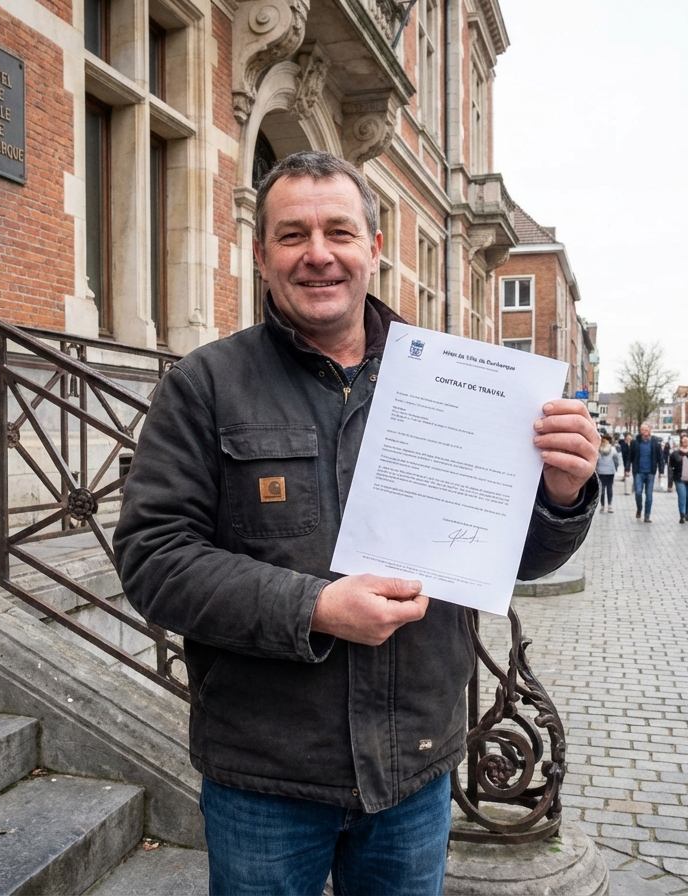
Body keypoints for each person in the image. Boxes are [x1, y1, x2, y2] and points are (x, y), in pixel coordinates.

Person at [112, 150, 601, 896]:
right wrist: (315, 608)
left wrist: (562, 494)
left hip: (413, 767)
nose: (318, 255)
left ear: (374, 249)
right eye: (292, 235)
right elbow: (154, 560)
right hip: (266, 776)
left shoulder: (452, 381)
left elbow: (515, 559)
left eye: (338, 232)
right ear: (262, 253)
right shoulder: (205, 385)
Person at [628, 423, 663, 522]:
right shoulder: (635, 442)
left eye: (647, 429)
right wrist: (627, 469)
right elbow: (630, 457)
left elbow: (660, 458)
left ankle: (647, 515)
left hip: (650, 472)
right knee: (638, 492)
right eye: (643, 430)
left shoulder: (655, 443)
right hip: (639, 471)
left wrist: (661, 471)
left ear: (650, 430)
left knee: (649, 495)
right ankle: (639, 508)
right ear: (640, 431)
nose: (645, 432)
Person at [595, 435, 622, 512]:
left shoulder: (598, 449)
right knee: (609, 488)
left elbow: (596, 460)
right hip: (610, 471)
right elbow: (616, 459)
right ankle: (610, 505)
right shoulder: (613, 449)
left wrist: (596, 469)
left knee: (602, 488)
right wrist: (615, 468)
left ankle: (602, 505)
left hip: (600, 471)